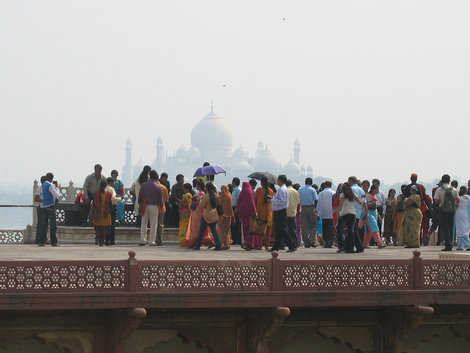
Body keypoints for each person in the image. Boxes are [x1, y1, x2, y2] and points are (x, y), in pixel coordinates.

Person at [269, 175, 297, 252]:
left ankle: (292, 245)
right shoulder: (283, 189)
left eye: (278, 180)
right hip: (280, 211)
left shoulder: (282, 190)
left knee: (283, 230)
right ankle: (275, 247)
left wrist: (272, 200)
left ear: (281, 181)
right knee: (278, 230)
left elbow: (282, 201)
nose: (277, 181)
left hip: (280, 211)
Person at [193, 182, 222, 251]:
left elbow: (201, 205)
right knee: (214, 231)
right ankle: (218, 245)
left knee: (201, 231)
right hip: (214, 215)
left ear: (207, 188)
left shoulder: (206, 196)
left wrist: (200, 200)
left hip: (206, 215)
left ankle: (197, 246)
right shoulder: (216, 195)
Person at [434, 174, 459, 251]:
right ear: (449, 180)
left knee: (445, 227)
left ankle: (447, 244)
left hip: (443, 210)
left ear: (442, 180)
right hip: (452, 210)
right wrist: (454, 206)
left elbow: (436, 201)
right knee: (451, 227)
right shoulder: (454, 189)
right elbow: (457, 200)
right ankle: (451, 243)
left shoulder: (440, 189)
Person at [185, 180, 214, 248]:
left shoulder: (202, 194)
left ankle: (197, 243)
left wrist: (195, 201)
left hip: (199, 213)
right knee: (200, 229)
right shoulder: (201, 193)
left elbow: (200, 202)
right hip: (198, 213)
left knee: (198, 229)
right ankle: (201, 242)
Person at [138, 170, 163, 246]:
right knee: (153, 224)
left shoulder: (143, 185)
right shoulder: (158, 187)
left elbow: (140, 197)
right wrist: (161, 206)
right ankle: (152, 241)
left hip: (145, 205)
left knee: (144, 223)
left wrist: (140, 204)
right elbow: (160, 199)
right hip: (154, 206)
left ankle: (143, 240)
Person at [337, 183, 361, 253]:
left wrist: (337, 213)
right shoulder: (353, 195)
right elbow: (360, 202)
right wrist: (363, 197)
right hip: (352, 214)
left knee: (339, 230)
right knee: (351, 231)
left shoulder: (342, 195)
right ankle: (351, 248)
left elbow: (341, 205)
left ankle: (341, 246)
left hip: (344, 214)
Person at [38, 173, 60, 247]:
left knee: (44, 225)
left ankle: (42, 241)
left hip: (44, 206)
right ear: (52, 179)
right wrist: (57, 188)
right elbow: (56, 195)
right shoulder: (50, 185)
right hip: (50, 206)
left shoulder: (43, 185)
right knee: (53, 225)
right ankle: (53, 242)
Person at [361, 185, 386, 249]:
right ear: (373, 189)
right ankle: (380, 243)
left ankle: (365, 244)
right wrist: (372, 203)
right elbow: (365, 205)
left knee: (369, 231)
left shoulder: (373, 197)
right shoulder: (368, 196)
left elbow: (375, 208)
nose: (378, 191)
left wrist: (379, 216)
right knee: (374, 228)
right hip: (370, 215)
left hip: (374, 214)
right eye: (377, 189)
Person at [237, 181, 260, 250]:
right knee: (252, 229)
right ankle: (249, 243)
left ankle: (249, 243)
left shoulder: (242, 193)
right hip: (250, 214)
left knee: (246, 229)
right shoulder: (249, 192)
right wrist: (254, 211)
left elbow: (238, 203)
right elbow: (252, 203)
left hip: (243, 215)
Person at [91, 180, 113, 246]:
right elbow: (111, 204)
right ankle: (101, 241)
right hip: (105, 213)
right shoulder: (109, 194)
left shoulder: (96, 193)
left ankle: (98, 236)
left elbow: (94, 203)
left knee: (96, 226)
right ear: (106, 186)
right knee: (104, 229)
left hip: (98, 212)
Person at [255, 177, 275, 251]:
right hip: (269, 213)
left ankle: (260, 245)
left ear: (261, 183)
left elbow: (256, 200)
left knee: (260, 231)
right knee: (268, 231)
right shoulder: (271, 191)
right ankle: (267, 246)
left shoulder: (258, 190)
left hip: (260, 213)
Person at [298, 177, 319, 248]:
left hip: (303, 208)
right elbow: (316, 200)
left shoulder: (300, 190)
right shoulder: (312, 190)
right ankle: (311, 240)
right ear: (311, 183)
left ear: (305, 182)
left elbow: (298, 201)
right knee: (314, 225)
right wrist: (315, 209)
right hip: (311, 207)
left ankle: (306, 242)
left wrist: (298, 209)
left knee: (304, 226)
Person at [347, 176, 365, 253]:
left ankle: (359, 246)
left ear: (351, 181)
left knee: (353, 230)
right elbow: (364, 202)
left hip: (352, 211)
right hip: (358, 212)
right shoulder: (361, 190)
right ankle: (350, 246)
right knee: (354, 230)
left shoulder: (351, 189)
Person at [317, 181, 335, 248]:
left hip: (323, 213)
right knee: (330, 229)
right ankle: (329, 242)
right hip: (331, 213)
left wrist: (317, 212)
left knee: (324, 228)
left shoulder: (321, 193)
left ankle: (326, 242)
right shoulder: (333, 193)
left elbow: (318, 204)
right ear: (331, 185)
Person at [105, 177, 122, 246]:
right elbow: (113, 199)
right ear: (111, 182)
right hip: (112, 207)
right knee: (112, 224)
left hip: (105, 208)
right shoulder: (111, 189)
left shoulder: (105, 189)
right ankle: (112, 240)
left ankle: (106, 239)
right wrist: (120, 198)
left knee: (106, 224)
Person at [218, 185, 234, 249]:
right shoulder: (222, 197)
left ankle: (221, 244)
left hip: (226, 215)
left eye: (224, 189)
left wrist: (232, 216)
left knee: (224, 230)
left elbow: (230, 207)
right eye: (222, 189)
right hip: (223, 215)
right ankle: (226, 244)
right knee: (223, 230)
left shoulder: (226, 197)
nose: (223, 191)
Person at [455, 186, 470, 251]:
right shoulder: (468, 198)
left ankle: (468, 245)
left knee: (461, 230)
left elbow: (455, 204)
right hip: (466, 214)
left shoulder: (458, 198)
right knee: (465, 229)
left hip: (459, 214)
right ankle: (459, 246)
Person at [286, 180, 300, 247]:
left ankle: (285, 243)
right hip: (293, 212)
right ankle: (295, 243)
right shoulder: (296, 192)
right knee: (293, 229)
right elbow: (298, 202)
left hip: (285, 212)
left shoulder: (285, 190)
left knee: (285, 229)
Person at [156, 177, 169, 246]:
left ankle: (155, 240)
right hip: (162, 208)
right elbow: (167, 199)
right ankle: (160, 241)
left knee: (154, 224)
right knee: (160, 225)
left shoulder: (154, 187)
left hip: (154, 208)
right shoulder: (164, 187)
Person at [34, 176, 46, 244]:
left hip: (44, 207)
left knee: (44, 224)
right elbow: (36, 199)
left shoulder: (46, 189)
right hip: (40, 207)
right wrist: (44, 200)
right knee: (41, 224)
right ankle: (38, 239)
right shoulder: (39, 189)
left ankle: (43, 239)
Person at [231, 177, 242, 245]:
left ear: (234, 182)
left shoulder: (238, 190)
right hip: (233, 207)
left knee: (237, 224)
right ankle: (234, 239)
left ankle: (237, 240)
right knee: (233, 224)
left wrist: (236, 209)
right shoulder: (234, 190)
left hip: (236, 207)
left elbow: (238, 200)